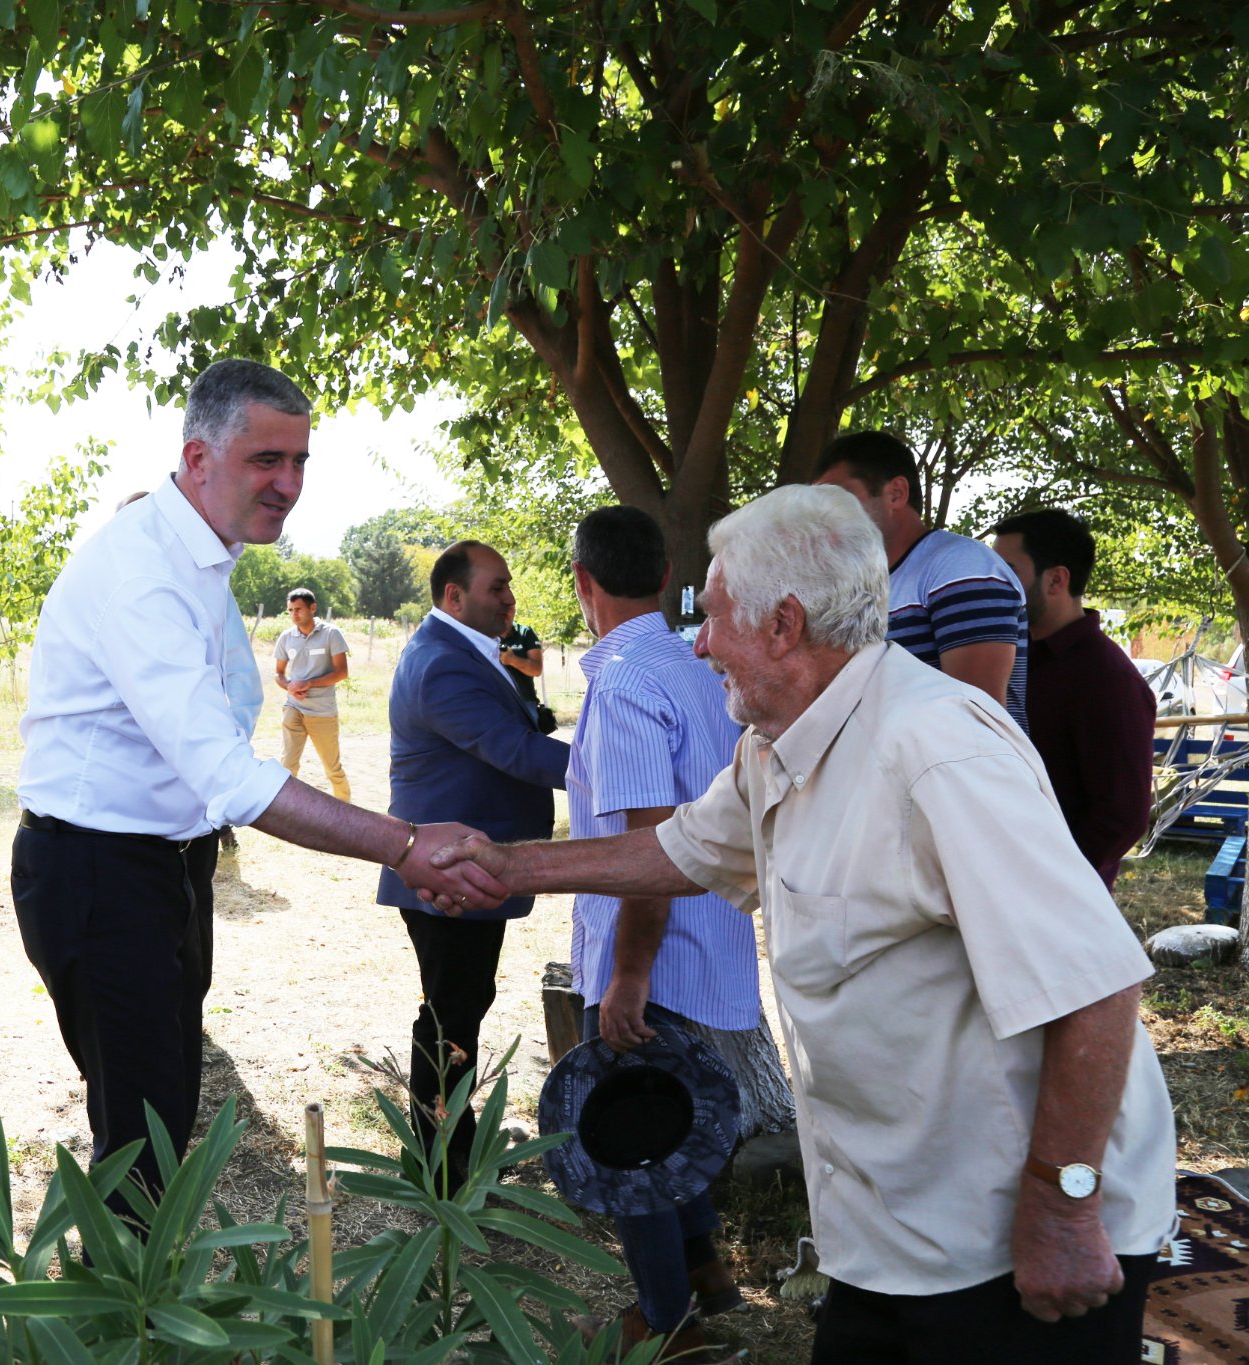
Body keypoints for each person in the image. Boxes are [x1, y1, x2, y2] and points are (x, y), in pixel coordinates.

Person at [431, 483, 1175, 1365]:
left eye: (713, 615)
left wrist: (1064, 1203)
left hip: (1009, 1237)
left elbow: (1098, 987)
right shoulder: (777, 742)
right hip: (894, 1231)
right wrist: (506, 865)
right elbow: (677, 848)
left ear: (784, 624)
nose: (698, 642)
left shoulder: (937, 748)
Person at [12, 358, 506, 1215]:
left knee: (164, 1108)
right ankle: (119, 1294)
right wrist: (402, 843)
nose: (289, 483)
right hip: (98, 870)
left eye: (300, 460)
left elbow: (230, 713)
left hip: (168, 862)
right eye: (266, 460)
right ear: (197, 458)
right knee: (137, 1140)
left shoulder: (203, 557)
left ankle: (142, 1281)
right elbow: (228, 774)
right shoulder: (143, 571)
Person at [563, 506, 752, 1357]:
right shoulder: (692, 662)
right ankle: (703, 1264)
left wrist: (627, 974)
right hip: (703, 929)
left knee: (629, 1133)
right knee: (670, 1110)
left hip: (654, 947)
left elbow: (648, 848)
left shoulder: (625, 680)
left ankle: (666, 1321)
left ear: (583, 582)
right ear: (667, 574)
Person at [378, 540, 572, 1186]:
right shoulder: (442, 664)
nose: (510, 599)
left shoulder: (466, 650)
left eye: (509, 585)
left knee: (460, 1005)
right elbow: (514, 749)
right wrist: (615, 766)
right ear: (453, 596)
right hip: (447, 871)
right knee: (450, 1017)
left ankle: (447, 1151)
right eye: (497, 587)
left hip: (468, 867)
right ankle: (438, 1168)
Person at [813, 431, 1030, 731]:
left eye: (839, 498)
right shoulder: (856, 586)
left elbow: (977, 722)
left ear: (896, 494)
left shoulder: (961, 567)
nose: (824, 517)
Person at [990, 509, 1156, 886]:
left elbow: (1122, 816)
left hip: (1051, 896)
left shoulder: (1108, 677)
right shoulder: (1011, 654)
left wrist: (1047, 880)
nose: (993, 584)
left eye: (1007, 572)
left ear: (1056, 580)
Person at [274, 586, 352, 802]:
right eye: (290, 610)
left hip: (322, 712)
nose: (294, 614)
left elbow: (342, 672)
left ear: (313, 608)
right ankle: (286, 811)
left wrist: (308, 683)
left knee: (332, 768)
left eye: (298, 609)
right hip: (293, 707)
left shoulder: (331, 634)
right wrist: (289, 686)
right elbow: (278, 673)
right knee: (287, 766)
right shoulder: (286, 637)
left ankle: (345, 809)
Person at [498, 609, 555, 732]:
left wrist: (512, 660)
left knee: (531, 740)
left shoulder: (525, 632)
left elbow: (537, 670)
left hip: (526, 702)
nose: (506, 612)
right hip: (496, 703)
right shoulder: (483, 634)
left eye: (510, 608)